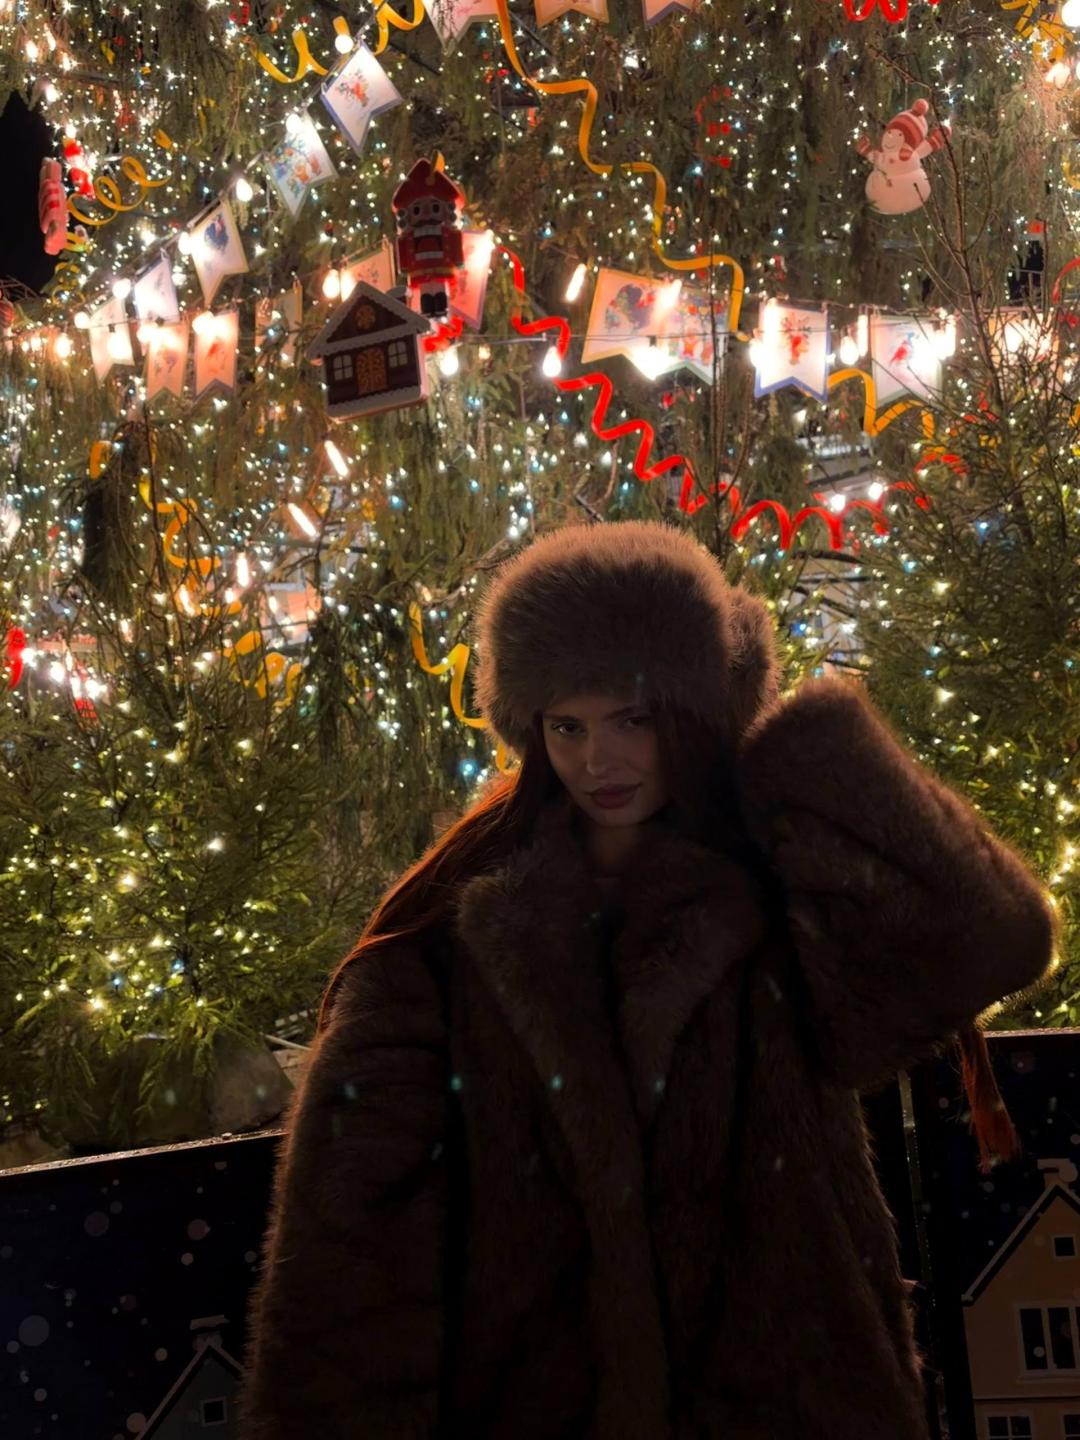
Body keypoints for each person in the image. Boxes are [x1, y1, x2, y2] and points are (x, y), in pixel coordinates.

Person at [238, 519, 1057, 1440]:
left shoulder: (780, 894)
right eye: (568, 726)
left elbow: (990, 939)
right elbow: (352, 1237)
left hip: (784, 1397)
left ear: (692, 710)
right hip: (543, 1409)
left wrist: (806, 743)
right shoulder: (447, 935)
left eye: (633, 718)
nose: (599, 761)